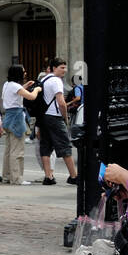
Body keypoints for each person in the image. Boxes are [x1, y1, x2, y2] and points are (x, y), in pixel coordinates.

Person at [37, 57, 79, 186]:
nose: (64, 70)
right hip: (54, 116)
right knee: (65, 145)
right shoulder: (56, 81)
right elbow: (61, 102)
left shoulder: (44, 79)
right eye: (62, 67)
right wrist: (65, 117)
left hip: (43, 116)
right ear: (54, 68)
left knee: (46, 146)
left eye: (65, 67)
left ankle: (48, 176)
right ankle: (73, 176)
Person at [0, 64, 40, 185]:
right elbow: (31, 97)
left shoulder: (7, 84)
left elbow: (16, 92)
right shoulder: (15, 86)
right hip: (16, 118)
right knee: (17, 151)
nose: (25, 73)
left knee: (9, 150)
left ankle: (6, 176)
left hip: (8, 118)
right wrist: (37, 89)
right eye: (23, 71)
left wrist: (25, 86)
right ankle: (16, 178)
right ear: (18, 73)